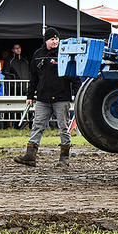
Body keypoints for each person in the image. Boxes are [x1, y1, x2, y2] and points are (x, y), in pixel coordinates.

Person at [14, 28, 81, 168]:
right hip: (43, 99)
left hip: (62, 98)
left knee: (63, 127)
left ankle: (64, 159)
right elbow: (33, 77)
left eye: (57, 39)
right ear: (46, 40)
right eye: (52, 39)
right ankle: (30, 156)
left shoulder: (65, 54)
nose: (55, 41)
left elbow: (73, 76)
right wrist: (30, 96)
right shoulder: (38, 55)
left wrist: (79, 94)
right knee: (37, 126)